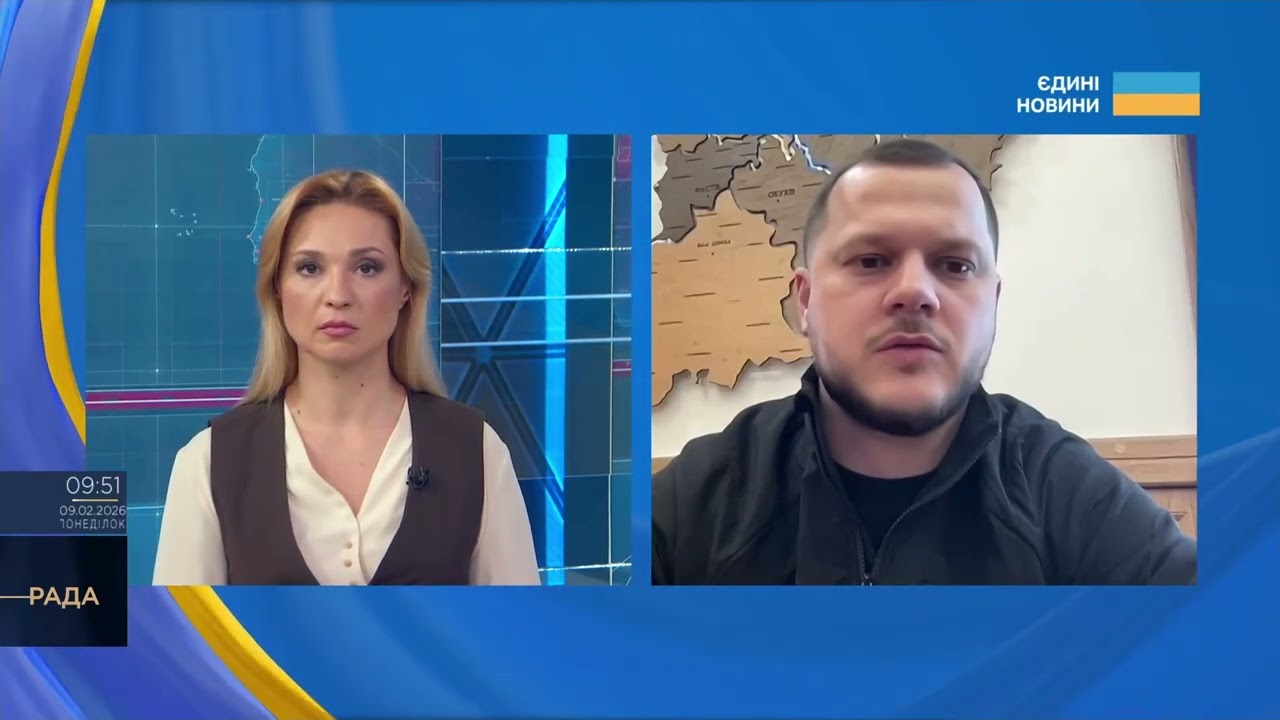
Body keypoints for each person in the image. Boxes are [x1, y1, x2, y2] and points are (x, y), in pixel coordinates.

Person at [652, 138, 1197, 586]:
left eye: (955, 266)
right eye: (871, 260)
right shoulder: (694, 504)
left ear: (993, 302)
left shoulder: (1065, 491)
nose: (915, 291)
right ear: (806, 301)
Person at [153, 169, 541, 586]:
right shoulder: (209, 462)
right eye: (309, 268)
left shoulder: (477, 452)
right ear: (277, 289)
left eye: (367, 268)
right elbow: (182, 629)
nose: (337, 295)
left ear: (406, 288)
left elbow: (517, 625)